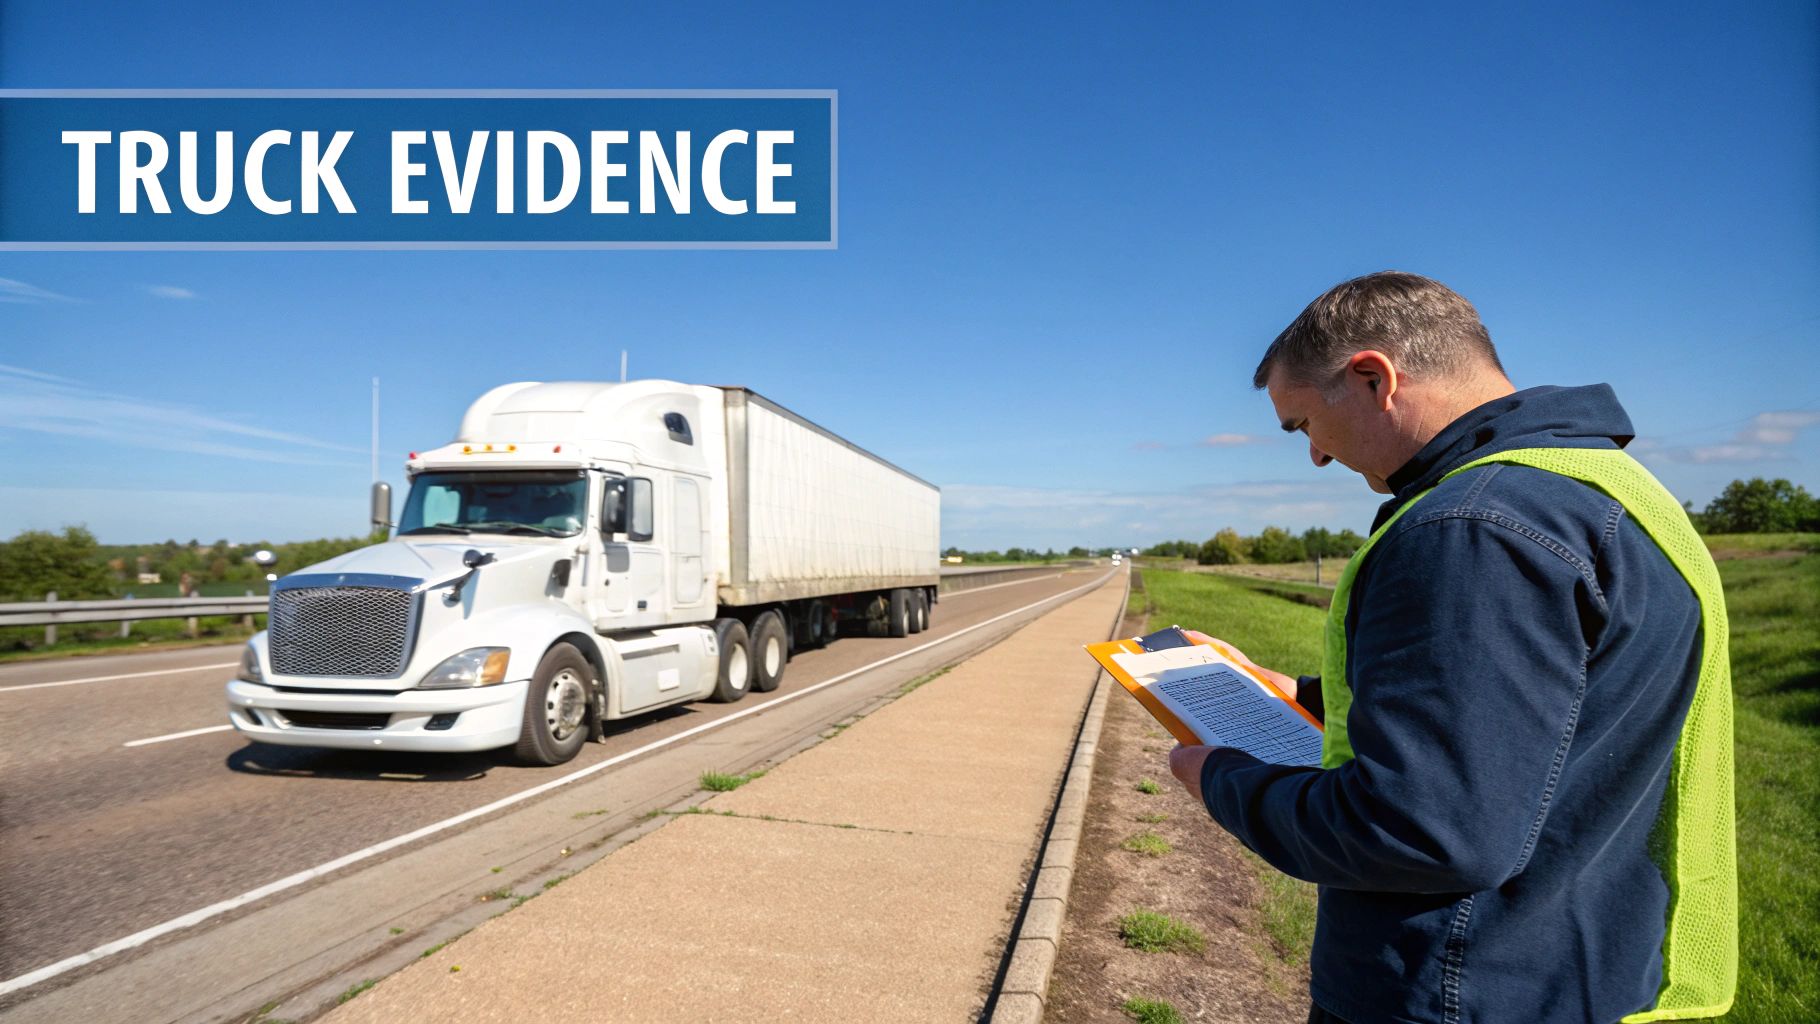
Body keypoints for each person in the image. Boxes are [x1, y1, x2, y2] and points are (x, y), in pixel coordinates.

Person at [1167, 272, 1735, 1024]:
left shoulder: (1469, 527)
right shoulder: (1606, 491)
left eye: (1301, 424)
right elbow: (1554, 710)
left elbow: (1422, 831)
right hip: (1577, 965)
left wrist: (1220, 779)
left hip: (1457, 986)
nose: (1315, 457)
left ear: (1374, 379)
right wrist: (1307, 696)